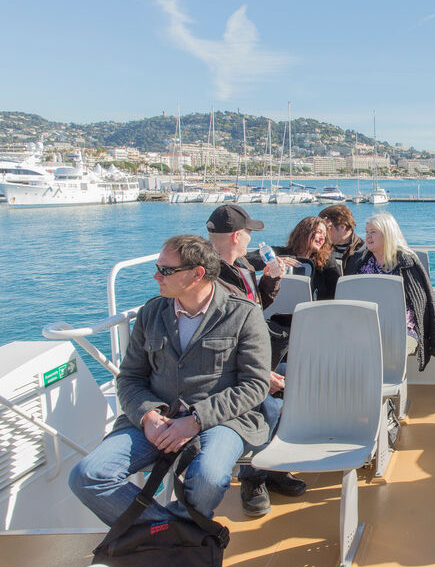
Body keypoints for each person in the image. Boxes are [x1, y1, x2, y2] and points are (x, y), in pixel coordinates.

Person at [69, 235, 271, 528]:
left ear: (197, 273)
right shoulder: (151, 313)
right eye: (157, 268)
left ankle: (169, 535)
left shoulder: (242, 314)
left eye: (165, 270)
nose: (156, 276)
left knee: (208, 479)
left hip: (221, 421)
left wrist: (196, 420)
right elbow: (130, 378)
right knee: (87, 475)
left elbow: (255, 385)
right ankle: (168, 532)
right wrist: (148, 416)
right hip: (156, 420)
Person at [206, 204, 307, 517]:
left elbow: (255, 309)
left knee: (303, 381)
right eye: (249, 232)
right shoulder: (209, 278)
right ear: (237, 236)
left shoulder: (243, 268)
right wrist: (262, 375)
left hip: (257, 356)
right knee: (271, 406)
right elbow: (219, 341)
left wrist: (270, 280)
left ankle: (274, 466)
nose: (252, 238)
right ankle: (253, 478)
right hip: (230, 370)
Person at [345, 212, 435, 371]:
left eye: (373, 232)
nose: (368, 236)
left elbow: (422, 302)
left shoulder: (407, 263)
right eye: (367, 232)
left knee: (391, 352)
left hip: (402, 329)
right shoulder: (358, 261)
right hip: (365, 327)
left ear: (387, 234)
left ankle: (386, 385)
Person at [284, 215, 341, 300]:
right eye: (319, 232)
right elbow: (260, 259)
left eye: (324, 235)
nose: (322, 238)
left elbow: (338, 290)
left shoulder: (326, 261)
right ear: (304, 232)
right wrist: (275, 261)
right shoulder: (282, 254)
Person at [319, 204, 364, 273]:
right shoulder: (320, 247)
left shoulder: (362, 252)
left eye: (327, 228)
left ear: (342, 227)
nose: (324, 233)